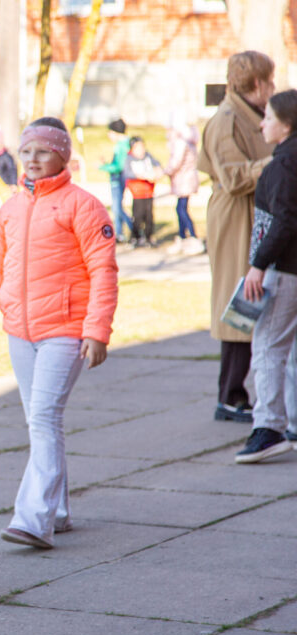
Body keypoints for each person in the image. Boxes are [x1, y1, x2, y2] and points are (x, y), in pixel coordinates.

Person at [0, 118, 118, 549]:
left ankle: (33, 519)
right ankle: (57, 510)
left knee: (42, 418)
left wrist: (97, 330)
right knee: (41, 422)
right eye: (27, 151)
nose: (33, 159)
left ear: (62, 155)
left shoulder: (84, 206)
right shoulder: (10, 208)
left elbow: (103, 271)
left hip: (65, 330)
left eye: (43, 151)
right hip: (20, 332)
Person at [198, 50, 276, 423]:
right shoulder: (227, 120)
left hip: (253, 210)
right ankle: (230, 395)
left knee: (252, 296)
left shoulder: (251, 115)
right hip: (235, 216)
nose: (273, 88)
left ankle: (238, 393)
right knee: (239, 300)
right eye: (270, 81)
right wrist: (280, 162)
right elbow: (232, 176)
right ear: (258, 84)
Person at [236, 89, 297, 464]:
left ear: (286, 124)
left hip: (283, 268)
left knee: (268, 346)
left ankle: (269, 427)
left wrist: (259, 263)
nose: (262, 124)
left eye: (269, 118)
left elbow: (285, 219)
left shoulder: (283, 165)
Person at [164, 115, 202, 255]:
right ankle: (182, 237)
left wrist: (165, 171)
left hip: (184, 179)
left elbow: (176, 162)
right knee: (180, 208)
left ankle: (192, 237)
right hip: (184, 178)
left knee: (182, 209)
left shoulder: (181, 141)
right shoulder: (186, 140)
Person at [123, 136, 163, 248]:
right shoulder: (129, 159)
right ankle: (135, 237)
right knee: (137, 216)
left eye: (142, 147)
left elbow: (158, 164)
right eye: (138, 148)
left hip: (149, 191)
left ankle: (148, 236)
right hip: (137, 192)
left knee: (149, 216)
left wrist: (158, 171)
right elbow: (127, 173)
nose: (141, 150)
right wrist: (141, 176)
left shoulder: (147, 157)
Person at [99, 119, 134, 243]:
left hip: (118, 179)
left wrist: (103, 167)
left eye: (110, 132)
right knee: (117, 207)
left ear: (116, 132)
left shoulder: (121, 145)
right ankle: (120, 232)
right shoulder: (125, 144)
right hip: (120, 178)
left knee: (117, 207)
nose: (109, 135)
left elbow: (119, 166)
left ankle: (130, 229)